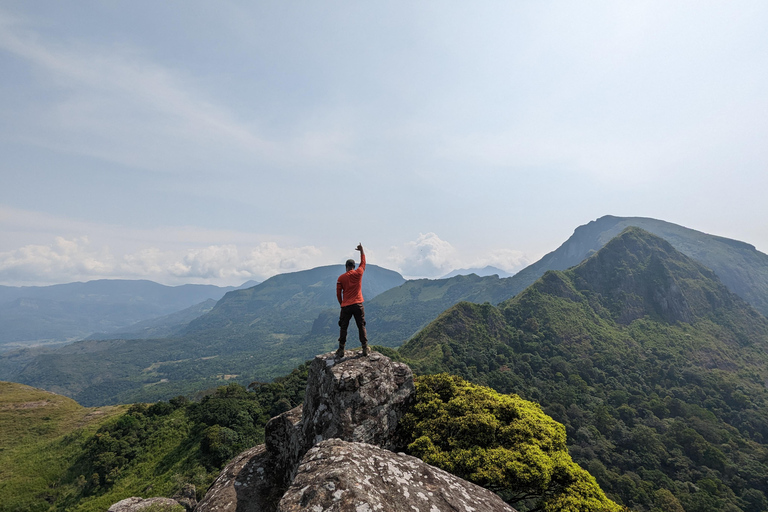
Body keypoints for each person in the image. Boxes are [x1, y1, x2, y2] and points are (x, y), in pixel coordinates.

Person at [336, 243, 368, 358]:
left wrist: (342, 304)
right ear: (354, 266)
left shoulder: (341, 278)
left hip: (346, 306)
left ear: (346, 267)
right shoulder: (359, 273)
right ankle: (364, 348)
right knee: (361, 326)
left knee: (344, 327)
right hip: (358, 304)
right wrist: (361, 251)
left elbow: (338, 294)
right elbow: (363, 263)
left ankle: (341, 349)